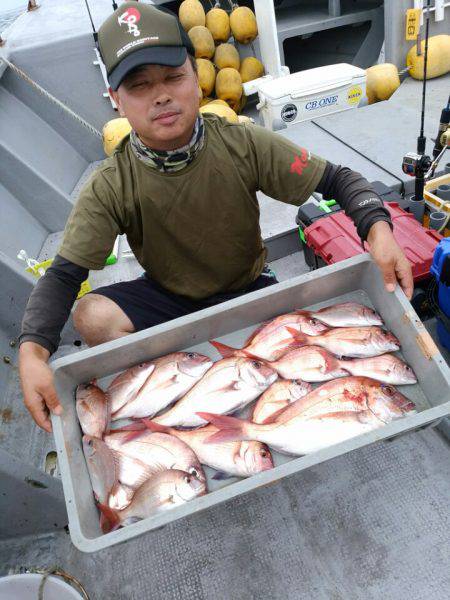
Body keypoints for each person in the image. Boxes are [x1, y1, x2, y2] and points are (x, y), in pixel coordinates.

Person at [18, 2, 413, 433]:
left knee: (298, 348)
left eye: (173, 76)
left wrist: (378, 228)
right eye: (139, 86)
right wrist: (33, 351)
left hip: (248, 286)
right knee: (91, 315)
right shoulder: (111, 183)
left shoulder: (241, 141)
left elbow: (338, 179)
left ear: (196, 75)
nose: (162, 95)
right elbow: (63, 274)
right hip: (169, 297)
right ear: (115, 100)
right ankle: (174, 387)